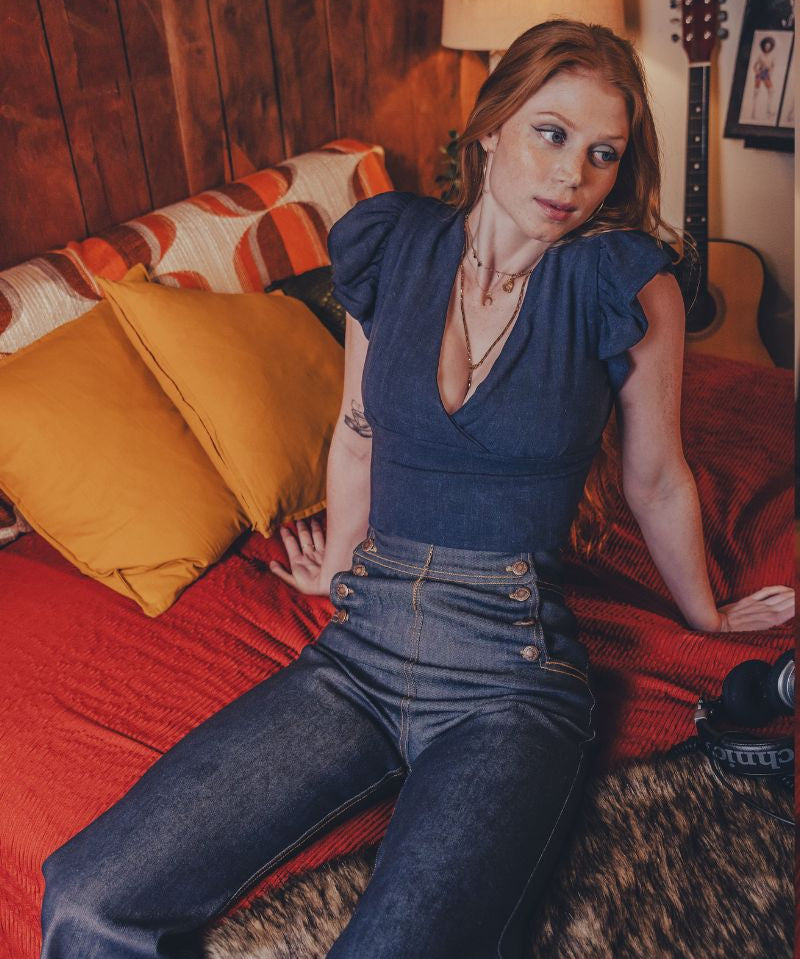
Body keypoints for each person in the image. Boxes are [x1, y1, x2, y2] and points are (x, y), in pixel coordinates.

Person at [39, 19, 794, 959]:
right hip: (358, 652)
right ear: (491, 127)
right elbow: (358, 432)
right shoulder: (392, 245)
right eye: (552, 134)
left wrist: (708, 615)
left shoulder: (624, 284)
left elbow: (657, 476)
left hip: (510, 678)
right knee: (88, 893)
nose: (574, 175)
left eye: (603, 154)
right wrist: (337, 566)